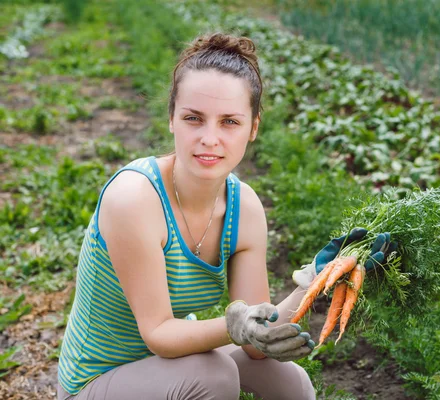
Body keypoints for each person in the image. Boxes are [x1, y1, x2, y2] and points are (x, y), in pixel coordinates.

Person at [55, 32, 390, 400]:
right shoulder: (134, 199)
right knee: (212, 375)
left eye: (229, 122)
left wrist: (315, 281)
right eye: (194, 118)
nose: (209, 138)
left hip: (169, 366)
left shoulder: (243, 208)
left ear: (253, 128)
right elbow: (160, 334)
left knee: (290, 381)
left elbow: (255, 343)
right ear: (171, 119)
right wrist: (235, 328)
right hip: (98, 381)